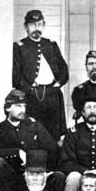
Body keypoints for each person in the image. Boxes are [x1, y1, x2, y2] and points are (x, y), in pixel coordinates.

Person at [0, 89, 66, 191]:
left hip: (39, 176)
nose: (23, 110)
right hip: (16, 182)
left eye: (24, 106)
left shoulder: (35, 126)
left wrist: (38, 165)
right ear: (7, 108)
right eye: (18, 106)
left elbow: (53, 149)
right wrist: (16, 152)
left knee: (59, 177)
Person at [13, 9, 69, 143]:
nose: (36, 28)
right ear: (25, 27)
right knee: (33, 133)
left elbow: (64, 70)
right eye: (32, 24)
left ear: (43, 25)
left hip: (52, 95)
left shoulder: (51, 45)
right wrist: (29, 90)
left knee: (54, 135)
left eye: (39, 24)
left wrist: (58, 84)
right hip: (32, 97)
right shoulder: (19, 47)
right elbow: (16, 76)